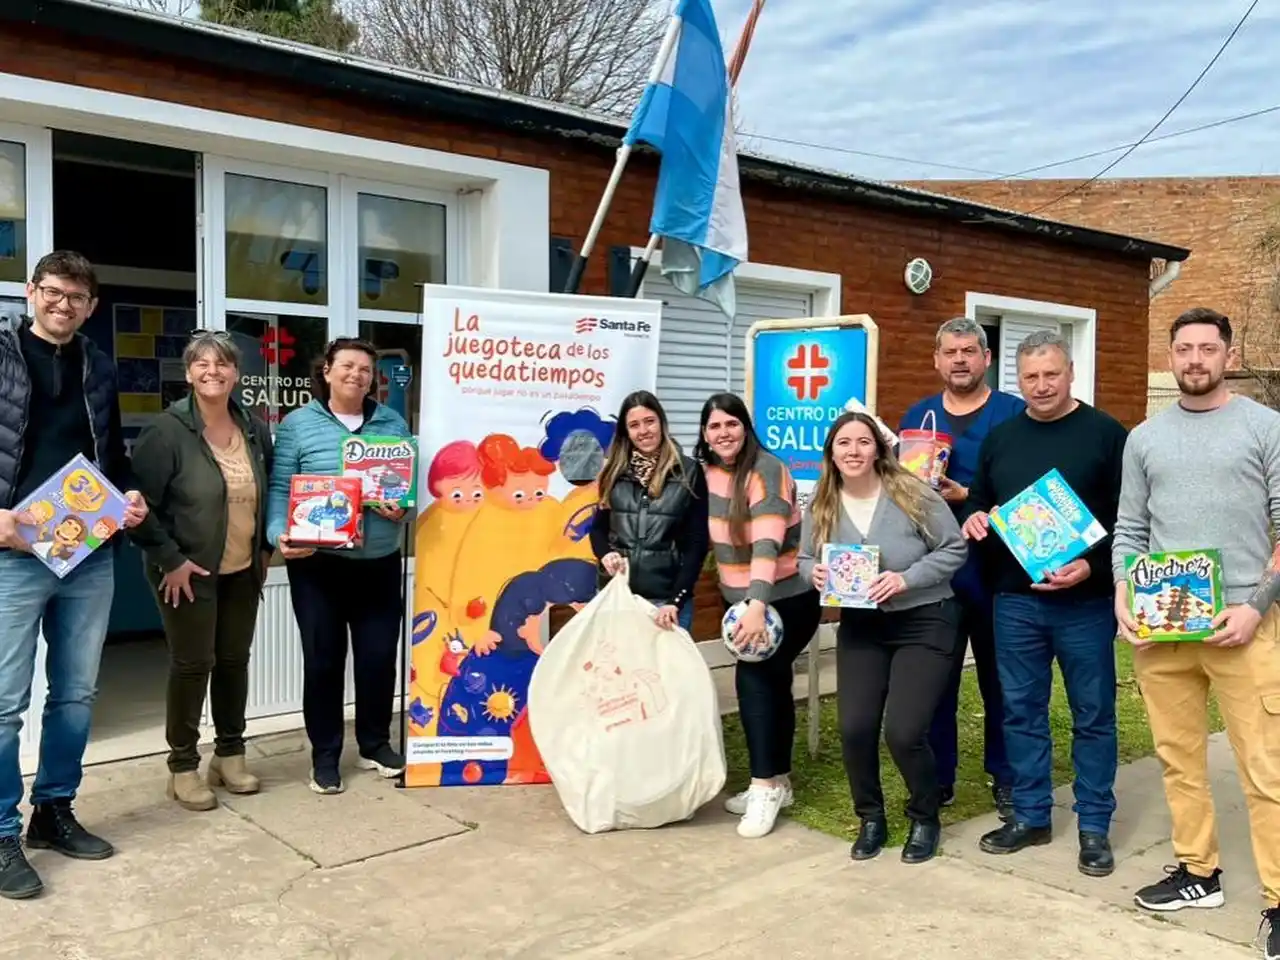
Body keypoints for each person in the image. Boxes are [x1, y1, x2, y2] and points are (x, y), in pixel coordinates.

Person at [1111, 307, 1280, 958]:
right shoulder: (1145, 439)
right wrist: (1124, 592)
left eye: (1208, 349)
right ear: (1170, 356)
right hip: (1166, 627)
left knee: (1264, 767)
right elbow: (1131, 530)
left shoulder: (1264, 427)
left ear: (1228, 356)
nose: (1195, 360)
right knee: (1178, 758)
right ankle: (1198, 872)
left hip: (1242, 624)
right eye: (1184, 349)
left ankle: (1279, 899)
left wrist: (1256, 606)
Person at [0, 251, 149, 901]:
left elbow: (109, 455)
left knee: (76, 694)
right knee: (4, 704)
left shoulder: (98, 365)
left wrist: (130, 494)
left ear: (91, 307)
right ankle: (0, 831)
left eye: (77, 297)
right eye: (54, 292)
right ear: (32, 292)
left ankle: (53, 811)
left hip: (87, 552)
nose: (64, 305)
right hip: (12, 553)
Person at [961, 329, 1127, 878]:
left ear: (1071, 372)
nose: (1042, 385)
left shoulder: (1106, 434)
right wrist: (975, 516)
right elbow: (981, 498)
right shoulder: (1002, 438)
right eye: (1030, 376)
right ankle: (1031, 815)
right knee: (1021, 711)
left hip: (1086, 604)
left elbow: (1130, 519)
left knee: (1093, 715)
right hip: (1015, 601)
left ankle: (1094, 825)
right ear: (1019, 379)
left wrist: (1092, 567)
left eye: (1051, 374)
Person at [799, 412, 967, 863]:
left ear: (878, 449)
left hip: (924, 619)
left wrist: (906, 579)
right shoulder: (822, 501)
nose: (853, 451)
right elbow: (803, 557)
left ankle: (925, 816)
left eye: (863, 441)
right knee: (855, 728)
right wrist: (813, 573)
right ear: (831, 452)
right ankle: (871, 818)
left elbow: (954, 547)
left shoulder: (912, 491)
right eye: (844, 443)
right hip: (863, 626)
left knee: (904, 731)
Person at [129, 330, 274, 812]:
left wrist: (265, 550)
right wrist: (169, 560)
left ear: (236, 373)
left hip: (242, 570)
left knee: (234, 662)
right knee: (193, 666)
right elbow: (137, 509)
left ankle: (229, 756)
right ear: (189, 373)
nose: (213, 371)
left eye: (223, 363)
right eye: (202, 364)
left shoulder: (253, 428)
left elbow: (269, 491)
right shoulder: (166, 432)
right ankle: (183, 767)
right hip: (187, 572)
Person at [267, 337, 413, 796]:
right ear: (326, 371)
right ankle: (325, 756)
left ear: (373, 380)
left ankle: (375, 744)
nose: (356, 375)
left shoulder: (391, 423)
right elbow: (279, 489)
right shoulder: (298, 424)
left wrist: (402, 509)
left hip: (379, 563)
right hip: (319, 565)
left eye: (365, 370)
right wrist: (278, 534)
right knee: (323, 661)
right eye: (347, 366)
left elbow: (405, 490)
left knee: (378, 658)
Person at [899, 317, 1025, 819]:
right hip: (936, 576)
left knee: (1003, 682)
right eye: (950, 352)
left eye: (969, 351)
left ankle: (1008, 777)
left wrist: (967, 495)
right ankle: (938, 779)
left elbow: (1030, 492)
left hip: (999, 572)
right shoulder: (919, 418)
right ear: (936, 359)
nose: (959, 360)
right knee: (935, 682)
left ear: (986, 358)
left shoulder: (1013, 414)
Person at [697, 392, 822, 839]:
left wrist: (756, 605)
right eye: (714, 426)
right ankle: (778, 781)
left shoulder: (767, 469)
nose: (724, 433)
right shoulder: (707, 474)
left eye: (732, 424)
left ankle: (764, 786)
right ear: (705, 434)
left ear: (746, 427)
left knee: (754, 681)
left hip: (783, 598)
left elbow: (767, 544)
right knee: (772, 682)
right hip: (743, 602)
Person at [590, 391, 710, 633]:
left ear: (661, 423)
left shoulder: (688, 471)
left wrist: (676, 600)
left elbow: (697, 543)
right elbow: (598, 529)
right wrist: (605, 554)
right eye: (634, 425)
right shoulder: (613, 472)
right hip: (618, 598)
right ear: (626, 432)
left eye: (649, 421)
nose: (643, 431)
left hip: (665, 604)